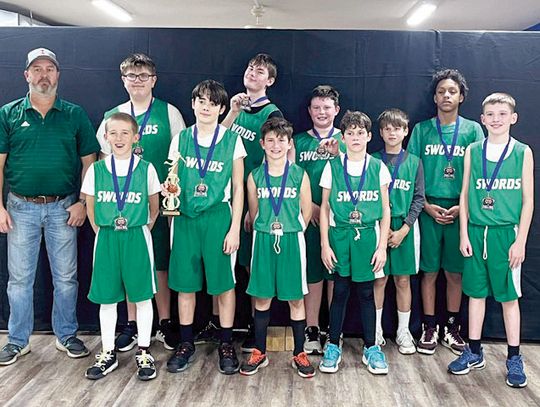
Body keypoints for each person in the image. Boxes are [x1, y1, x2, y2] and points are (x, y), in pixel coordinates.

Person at [0, 48, 99, 365]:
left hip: (63, 208)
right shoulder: (8, 114)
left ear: (58, 74)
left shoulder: (74, 114)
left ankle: (67, 335)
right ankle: (18, 341)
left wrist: (83, 202)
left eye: (50, 69)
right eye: (37, 69)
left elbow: (90, 162)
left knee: (66, 278)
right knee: (19, 280)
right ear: (26, 75)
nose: (44, 74)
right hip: (19, 208)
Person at [95, 53, 185, 352]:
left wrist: (173, 196)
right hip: (124, 206)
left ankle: (165, 322)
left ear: (153, 80)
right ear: (123, 81)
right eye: (132, 76)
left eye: (143, 76)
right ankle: (132, 325)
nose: (137, 81)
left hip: (159, 202)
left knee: (159, 262)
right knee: (129, 265)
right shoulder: (113, 115)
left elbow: (180, 158)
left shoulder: (168, 112)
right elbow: (103, 162)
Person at [448, 93, 533, 388]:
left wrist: (520, 240)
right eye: (491, 114)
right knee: (475, 294)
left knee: (509, 298)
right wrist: (463, 233)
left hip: (505, 234)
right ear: (482, 119)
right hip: (475, 231)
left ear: (513, 118)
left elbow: (528, 201)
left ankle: (514, 357)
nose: (496, 119)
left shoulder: (523, 152)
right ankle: (473, 350)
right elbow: (463, 194)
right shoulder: (473, 149)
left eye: (502, 113)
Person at [166, 80, 245, 375]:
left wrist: (235, 227)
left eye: (213, 103)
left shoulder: (231, 139)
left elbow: (238, 188)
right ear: (193, 104)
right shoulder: (181, 139)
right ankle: (186, 343)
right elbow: (172, 180)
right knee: (186, 285)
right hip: (185, 218)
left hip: (218, 217)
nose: (206, 107)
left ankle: (226, 343)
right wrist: (168, 190)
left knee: (224, 284)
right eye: (201, 101)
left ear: (222, 108)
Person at [407, 69, 484, 355]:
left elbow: (480, 173)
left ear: (461, 97)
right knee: (428, 272)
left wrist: (461, 207)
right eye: (441, 91)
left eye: (452, 91)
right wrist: (424, 204)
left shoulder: (473, 130)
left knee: (454, 273)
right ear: (435, 97)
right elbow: (411, 169)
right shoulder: (421, 130)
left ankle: (452, 327)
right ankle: (429, 326)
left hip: (460, 208)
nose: (446, 95)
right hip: (428, 207)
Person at [82, 113, 161, 380]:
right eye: (113, 133)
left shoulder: (146, 168)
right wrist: (102, 231)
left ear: (135, 137)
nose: (119, 138)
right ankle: (107, 352)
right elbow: (90, 206)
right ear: (105, 137)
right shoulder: (97, 170)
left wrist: (140, 229)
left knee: (141, 296)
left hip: (137, 235)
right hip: (106, 236)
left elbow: (154, 206)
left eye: (125, 133)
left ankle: (144, 350)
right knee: (107, 297)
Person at [214, 53, 283, 352]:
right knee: (227, 266)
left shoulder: (271, 113)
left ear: (269, 80)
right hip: (226, 197)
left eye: (260, 71)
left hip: (254, 198)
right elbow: (217, 141)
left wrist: (256, 207)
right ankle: (222, 328)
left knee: (255, 270)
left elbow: (276, 157)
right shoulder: (236, 108)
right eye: (249, 68)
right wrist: (231, 111)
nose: (252, 73)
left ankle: (258, 332)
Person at [239, 117, 315, 378]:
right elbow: (254, 210)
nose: (275, 145)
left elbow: (306, 212)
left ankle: (299, 353)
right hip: (263, 239)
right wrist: (270, 227)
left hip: (292, 240)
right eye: (270, 140)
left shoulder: (298, 174)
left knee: (295, 298)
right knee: (261, 297)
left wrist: (291, 230)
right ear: (262, 144)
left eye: (281, 140)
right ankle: (259, 352)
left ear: (289, 143)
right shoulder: (255, 176)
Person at [318, 111, 391, 375]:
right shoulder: (333, 166)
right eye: (350, 133)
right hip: (340, 236)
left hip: (367, 237)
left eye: (361, 133)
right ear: (343, 136)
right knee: (339, 292)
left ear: (369, 136)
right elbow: (325, 208)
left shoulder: (377, 167)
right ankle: (333, 344)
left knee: (366, 293)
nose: (356, 137)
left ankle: (371, 347)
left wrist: (382, 246)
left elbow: (385, 209)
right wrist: (325, 244)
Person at [294, 85, 344, 354]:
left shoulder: (347, 140)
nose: (321, 112)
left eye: (327, 107)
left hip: (340, 218)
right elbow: (291, 177)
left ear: (336, 110)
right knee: (312, 273)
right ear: (309, 111)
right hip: (308, 217)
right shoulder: (299, 141)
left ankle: (334, 329)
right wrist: (310, 206)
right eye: (316, 108)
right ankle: (311, 329)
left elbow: (356, 175)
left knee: (335, 274)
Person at [372, 109, 424, 354]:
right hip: (378, 225)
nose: (392, 133)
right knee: (379, 279)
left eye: (397, 128)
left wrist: (405, 228)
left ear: (405, 131)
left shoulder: (414, 162)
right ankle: (377, 331)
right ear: (381, 132)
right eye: (387, 128)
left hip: (405, 227)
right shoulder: (372, 161)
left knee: (403, 280)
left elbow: (418, 198)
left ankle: (404, 332)